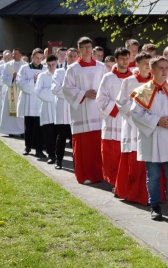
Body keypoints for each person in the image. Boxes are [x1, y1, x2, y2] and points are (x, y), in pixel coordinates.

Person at [131, 55, 168, 223]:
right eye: (160, 68)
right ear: (152, 70)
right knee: (153, 175)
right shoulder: (142, 91)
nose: (164, 71)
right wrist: (157, 121)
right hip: (153, 137)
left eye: (166, 67)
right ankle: (154, 206)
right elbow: (136, 114)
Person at [60, 37, 107, 185]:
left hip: (97, 111)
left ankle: (99, 174)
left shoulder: (101, 67)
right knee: (83, 146)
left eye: (89, 47)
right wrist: (84, 94)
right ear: (79, 49)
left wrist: (99, 94)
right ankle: (84, 175)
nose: (87, 49)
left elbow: (106, 86)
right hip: (81, 111)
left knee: (97, 145)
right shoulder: (73, 68)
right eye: (84, 47)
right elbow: (66, 88)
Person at [114, 52, 153, 203]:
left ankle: (148, 193)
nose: (147, 65)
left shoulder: (156, 81)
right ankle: (130, 191)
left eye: (149, 62)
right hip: (133, 126)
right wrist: (135, 116)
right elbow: (121, 102)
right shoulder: (129, 81)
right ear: (136, 64)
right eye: (144, 62)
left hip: (150, 126)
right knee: (133, 161)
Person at [97, 47, 132, 185]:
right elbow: (100, 100)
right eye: (122, 58)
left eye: (127, 58)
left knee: (127, 154)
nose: (125, 61)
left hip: (129, 120)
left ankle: (125, 182)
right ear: (116, 60)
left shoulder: (133, 78)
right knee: (112, 155)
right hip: (113, 120)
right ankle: (114, 182)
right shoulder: (108, 77)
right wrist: (119, 106)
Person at [17, 49, 46, 158]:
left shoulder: (45, 69)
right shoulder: (24, 68)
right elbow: (19, 83)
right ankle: (27, 147)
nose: (39, 60)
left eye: (41, 58)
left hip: (40, 101)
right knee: (28, 126)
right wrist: (33, 80)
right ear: (32, 57)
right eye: (37, 58)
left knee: (40, 127)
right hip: (29, 101)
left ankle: (39, 150)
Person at [51, 48, 77, 169]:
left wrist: (70, 92)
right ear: (66, 57)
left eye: (74, 56)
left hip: (76, 108)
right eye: (70, 56)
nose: (72, 58)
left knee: (75, 138)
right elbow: (55, 89)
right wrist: (72, 92)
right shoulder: (59, 72)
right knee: (61, 136)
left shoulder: (80, 71)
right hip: (63, 108)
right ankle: (58, 160)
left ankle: (77, 163)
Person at [35, 54, 60, 164]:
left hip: (59, 108)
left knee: (58, 134)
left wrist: (49, 91)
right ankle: (51, 155)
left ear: (57, 62)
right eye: (49, 65)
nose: (51, 67)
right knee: (48, 133)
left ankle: (59, 155)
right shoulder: (42, 76)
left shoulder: (61, 74)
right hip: (46, 108)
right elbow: (37, 91)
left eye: (53, 64)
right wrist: (52, 93)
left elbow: (63, 90)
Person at [0, 50, 25, 135]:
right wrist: (12, 77)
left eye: (15, 54)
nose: (13, 55)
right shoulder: (8, 65)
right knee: (8, 110)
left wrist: (19, 77)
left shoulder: (25, 65)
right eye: (13, 53)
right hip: (11, 90)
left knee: (21, 110)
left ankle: (22, 130)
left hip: (21, 91)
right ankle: (10, 130)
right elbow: (3, 78)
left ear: (20, 55)